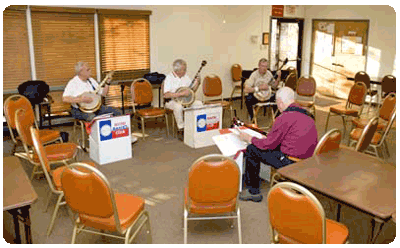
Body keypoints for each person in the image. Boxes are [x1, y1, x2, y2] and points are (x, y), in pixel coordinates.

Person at [239, 87, 318, 202]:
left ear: (280, 102)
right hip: (308, 162)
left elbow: (268, 145)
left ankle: (253, 191)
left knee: (252, 149)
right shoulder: (308, 114)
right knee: (263, 145)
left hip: (291, 163)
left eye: (277, 103)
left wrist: (250, 138)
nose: (278, 106)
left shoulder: (284, 117)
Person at [163, 59, 203, 130]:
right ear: (177, 70)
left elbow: (192, 91)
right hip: (172, 101)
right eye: (184, 69)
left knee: (199, 103)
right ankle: (181, 128)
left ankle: (198, 124)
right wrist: (181, 94)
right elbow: (166, 95)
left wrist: (197, 83)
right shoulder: (169, 78)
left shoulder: (185, 77)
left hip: (185, 101)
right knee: (178, 106)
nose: (185, 71)